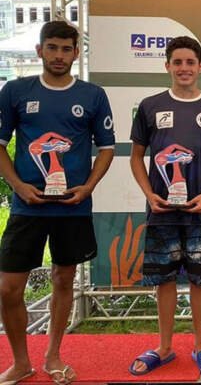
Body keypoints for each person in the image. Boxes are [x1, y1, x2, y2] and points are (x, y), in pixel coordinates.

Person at [0, 20, 115, 385]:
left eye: (66, 49)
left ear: (76, 53)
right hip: (27, 206)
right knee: (7, 288)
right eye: (52, 48)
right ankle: (21, 362)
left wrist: (87, 187)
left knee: (64, 279)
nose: (59, 55)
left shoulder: (93, 95)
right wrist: (18, 186)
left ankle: (53, 355)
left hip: (72, 207)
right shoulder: (15, 90)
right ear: (40, 50)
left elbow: (107, 149)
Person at [129, 36, 201, 376]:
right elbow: (136, 157)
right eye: (177, 62)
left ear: (200, 66)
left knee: (200, 280)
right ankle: (164, 347)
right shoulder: (150, 106)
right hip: (162, 211)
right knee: (164, 281)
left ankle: (200, 345)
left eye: (190, 62)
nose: (184, 68)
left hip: (200, 212)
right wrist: (150, 194)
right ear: (167, 66)